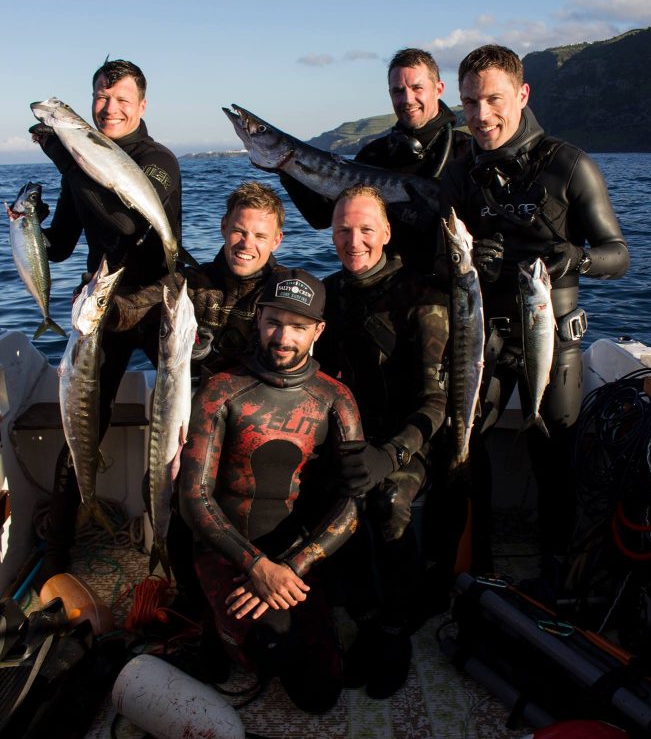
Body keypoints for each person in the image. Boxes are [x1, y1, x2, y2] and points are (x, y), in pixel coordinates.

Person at [439, 44, 630, 571]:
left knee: (555, 460)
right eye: (470, 102)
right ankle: (473, 574)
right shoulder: (460, 173)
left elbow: (619, 256)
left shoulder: (569, 165)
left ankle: (556, 574)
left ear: (523, 95)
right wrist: (471, 260)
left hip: (555, 341)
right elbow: (440, 261)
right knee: (465, 453)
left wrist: (579, 259)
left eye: (494, 100)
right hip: (483, 341)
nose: (481, 116)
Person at [179, 268, 365, 714]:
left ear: (318, 331)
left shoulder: (335, 398)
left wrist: (291, 568)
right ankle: (213, 623)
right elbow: (193, 497)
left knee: (320, 696)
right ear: (258, 318)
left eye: (298, 327)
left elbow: (352, 504)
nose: (284, 337)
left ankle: (251, 621)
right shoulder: (220, 390)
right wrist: (255, 565)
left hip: (295, 558)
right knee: (265, 651)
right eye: (274, 322)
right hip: (227, 548)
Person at [32, 58, 182, 586]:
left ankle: (179, 542)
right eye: (101, 96)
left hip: (158, 302)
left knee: (182, 422)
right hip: (105, 305)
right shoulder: (82, 158)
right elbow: (66, 243)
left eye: (122, 98)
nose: (110, 107)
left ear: (142, 106)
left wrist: (66, 161)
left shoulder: (156, 160)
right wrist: (29, 227)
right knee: (81, 423)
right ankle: (57, 552)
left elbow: (121, 223)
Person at [315, 185, 449, 698]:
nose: (355, 241)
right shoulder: (327, 295)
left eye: (366, 229)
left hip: (409, 442)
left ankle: (395, 629)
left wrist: (390, 453)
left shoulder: (421, 298)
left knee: (388, 500)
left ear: (387, 233)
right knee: (324, 491)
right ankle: (363, 613)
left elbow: (438, 403)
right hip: (346, 438)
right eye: (344, 230)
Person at [280, 48, 467, 266]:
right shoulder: (374, 155)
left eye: (417, 88)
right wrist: (287, 169)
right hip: (385, 281)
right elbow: (321, 217)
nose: (407, 99)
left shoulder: (467, 152)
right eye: (398, 91)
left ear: (439, 89)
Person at [108, 180, 285, 375]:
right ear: (224, 226)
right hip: (190, 393)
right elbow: (134, 308)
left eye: (260, 236)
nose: (246, 244)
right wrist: (103, 304)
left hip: (258, 396)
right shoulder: (190, 282)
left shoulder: (283, 288)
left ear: (276, 240)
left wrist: (208, 356)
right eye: (239, 231)